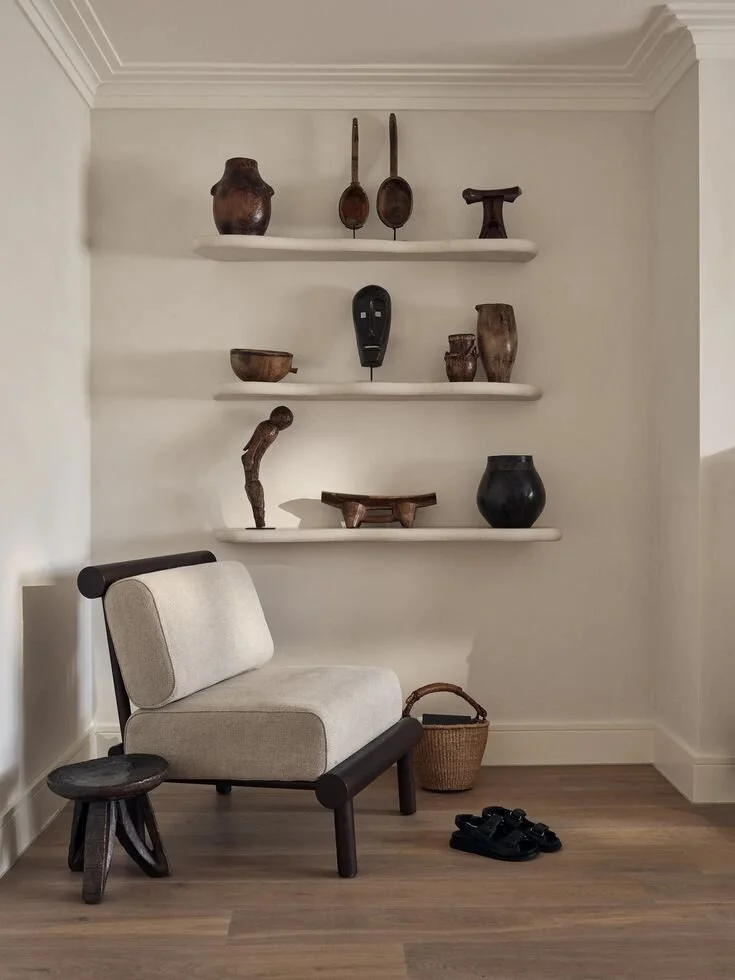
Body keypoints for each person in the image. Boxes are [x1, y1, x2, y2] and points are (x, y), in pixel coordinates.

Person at [241, 406, 294, 528]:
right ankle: (260, 520)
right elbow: (255, 444)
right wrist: (249, 458)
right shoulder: (268, 427)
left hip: (254, 461)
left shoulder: (274, 430)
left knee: (254, 485)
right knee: (253, 485)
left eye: (287, 421)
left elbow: (260, 448)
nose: (285, 422)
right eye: (284, 419)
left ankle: (260, 520)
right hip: (251, 461)